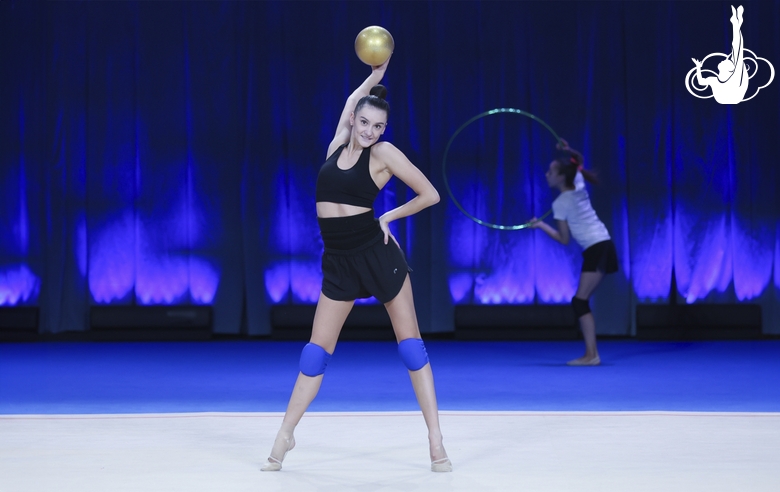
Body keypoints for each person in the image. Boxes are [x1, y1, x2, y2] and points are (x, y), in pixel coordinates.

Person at [260, 55, 452, 472]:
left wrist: (388, 216)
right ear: (353, 120)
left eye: (378, 126)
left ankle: (436, 440)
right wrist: (375, 76)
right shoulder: (333, 147)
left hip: (378, 255)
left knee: (411, 347)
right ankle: (285, 435)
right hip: (339, 262)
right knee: (315, 353)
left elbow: (429, 194)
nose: (370, 131)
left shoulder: (383, 153)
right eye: (364, 123)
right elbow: (351, 101)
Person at [529, 140, 618, 366]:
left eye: (550, 171)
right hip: (600, 246)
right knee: (580, 302)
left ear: (561, 176)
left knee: (580, 302)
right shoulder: (577, 184)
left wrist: (540, 225)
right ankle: (591, 354)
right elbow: (578, 161)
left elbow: (564, 239)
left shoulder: (561, 203)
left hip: (598, 248)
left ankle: (592, 355)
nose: (546, 174)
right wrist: (567, 150)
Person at [692, 5, 747, 104]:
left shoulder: (732, 77)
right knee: (737, 52)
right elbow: (701, 82)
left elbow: (737, 49)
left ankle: (736, 24)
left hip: (733, 95)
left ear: (729, 69)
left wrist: (698, 68)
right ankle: (736, 24)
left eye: (727, 61)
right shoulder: (714, 80)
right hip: (729, 96)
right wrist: (698, 67)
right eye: (727, 60)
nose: (725, 59)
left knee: (737, 51)